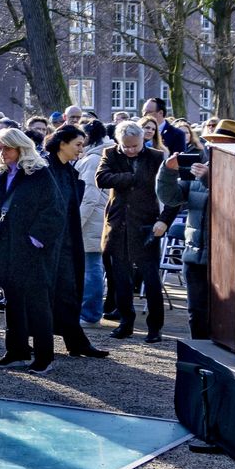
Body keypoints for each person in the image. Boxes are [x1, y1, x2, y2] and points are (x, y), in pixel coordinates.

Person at [0, 127, 66, 372]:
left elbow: (54, 211)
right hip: (6, 249)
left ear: (21, 148)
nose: (2, 152)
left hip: (32, 251)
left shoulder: (39, 173)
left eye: (7, 147)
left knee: (38, 304)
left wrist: (34, 239)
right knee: (13, 302)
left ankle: (44, 356)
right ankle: (16, 350)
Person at [155, 119, 235, 342]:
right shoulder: (197, 173)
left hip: (226, 259)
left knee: (226, 315)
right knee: (196, 314)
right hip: (195, 255)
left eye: (221, 144)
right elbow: (170, 198)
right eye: (211, 144)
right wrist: (167, 171)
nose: (213, 149)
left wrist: (211, 180)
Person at [97, 121, 166, 341]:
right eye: (125, 146)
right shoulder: (110, 153)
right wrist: (130, 177)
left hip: (146, 224)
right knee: (121, 278)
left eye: (134, 146)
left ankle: (155, 328)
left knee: (151, 278)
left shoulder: (156, 157)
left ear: (143, 140)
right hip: (118, 224)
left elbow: (166, 189)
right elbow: (102, 178)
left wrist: (163, 220)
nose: (130, 150)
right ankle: (126, 322)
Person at [46, 124, 110, 358]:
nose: (81, 149)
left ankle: (75, 340)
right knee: (56, 293)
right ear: (62, 144)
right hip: (53, 243)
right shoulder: (49, 170)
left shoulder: (67, 170)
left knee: (68, 291)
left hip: (68, 241)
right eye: (78, 144)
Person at [74, 120, 113, 324]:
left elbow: (89, 197)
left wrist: (75, 224)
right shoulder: (96, 157)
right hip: (95, 219)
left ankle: (90, 315)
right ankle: (89, 313)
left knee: (91, 269)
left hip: (90, 221)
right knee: (92, 268)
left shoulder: (92, 160)